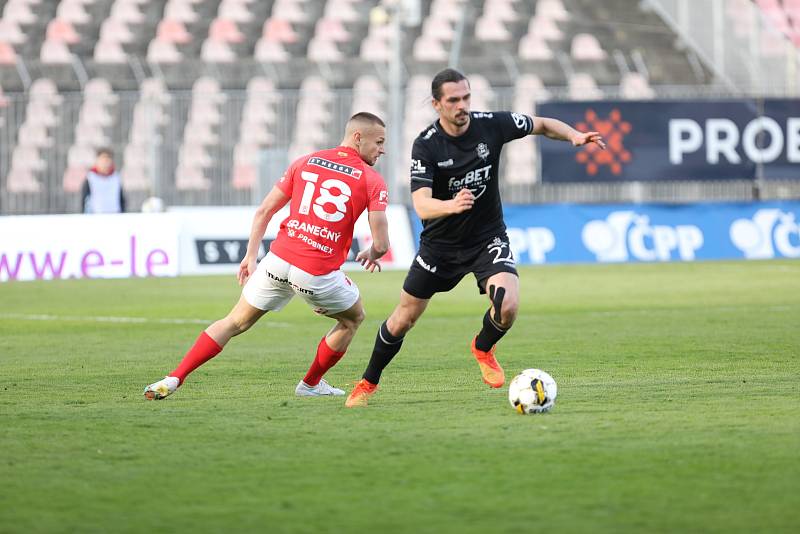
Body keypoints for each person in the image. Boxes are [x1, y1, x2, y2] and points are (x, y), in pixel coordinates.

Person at [345, 69, 606, 407]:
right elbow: (421, 205)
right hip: (439, 247)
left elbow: (540, 124)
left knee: (508, 305)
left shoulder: (491, 124)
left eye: (466, 97)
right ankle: (367, 383)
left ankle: (483, 347)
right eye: (453, 100)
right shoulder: (426, 145)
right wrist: (452, 205)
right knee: (404, 318)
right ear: (437, 104)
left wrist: (573, 135)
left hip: (486, 237)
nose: (462, 105)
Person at [144, 112, 390, 400]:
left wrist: (250, 256)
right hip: (315, 271)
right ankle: (310, 384)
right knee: (353, 318)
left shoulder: (305, 161)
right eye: (379, 142)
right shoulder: (372, 180)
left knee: (234, 322)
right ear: (357, 137)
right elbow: (382, 245)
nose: (382, 149)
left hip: (277, 260)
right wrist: (371, 253)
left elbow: (264, 211)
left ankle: (175, 377)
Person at [82, 148, 126, 214]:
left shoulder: (116, 178)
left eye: (108, 159)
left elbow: (121, 200)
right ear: (97, 161)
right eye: (103, 159)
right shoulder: (90, 178)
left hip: (115, 216)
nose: (105, 163)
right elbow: (85, 200)